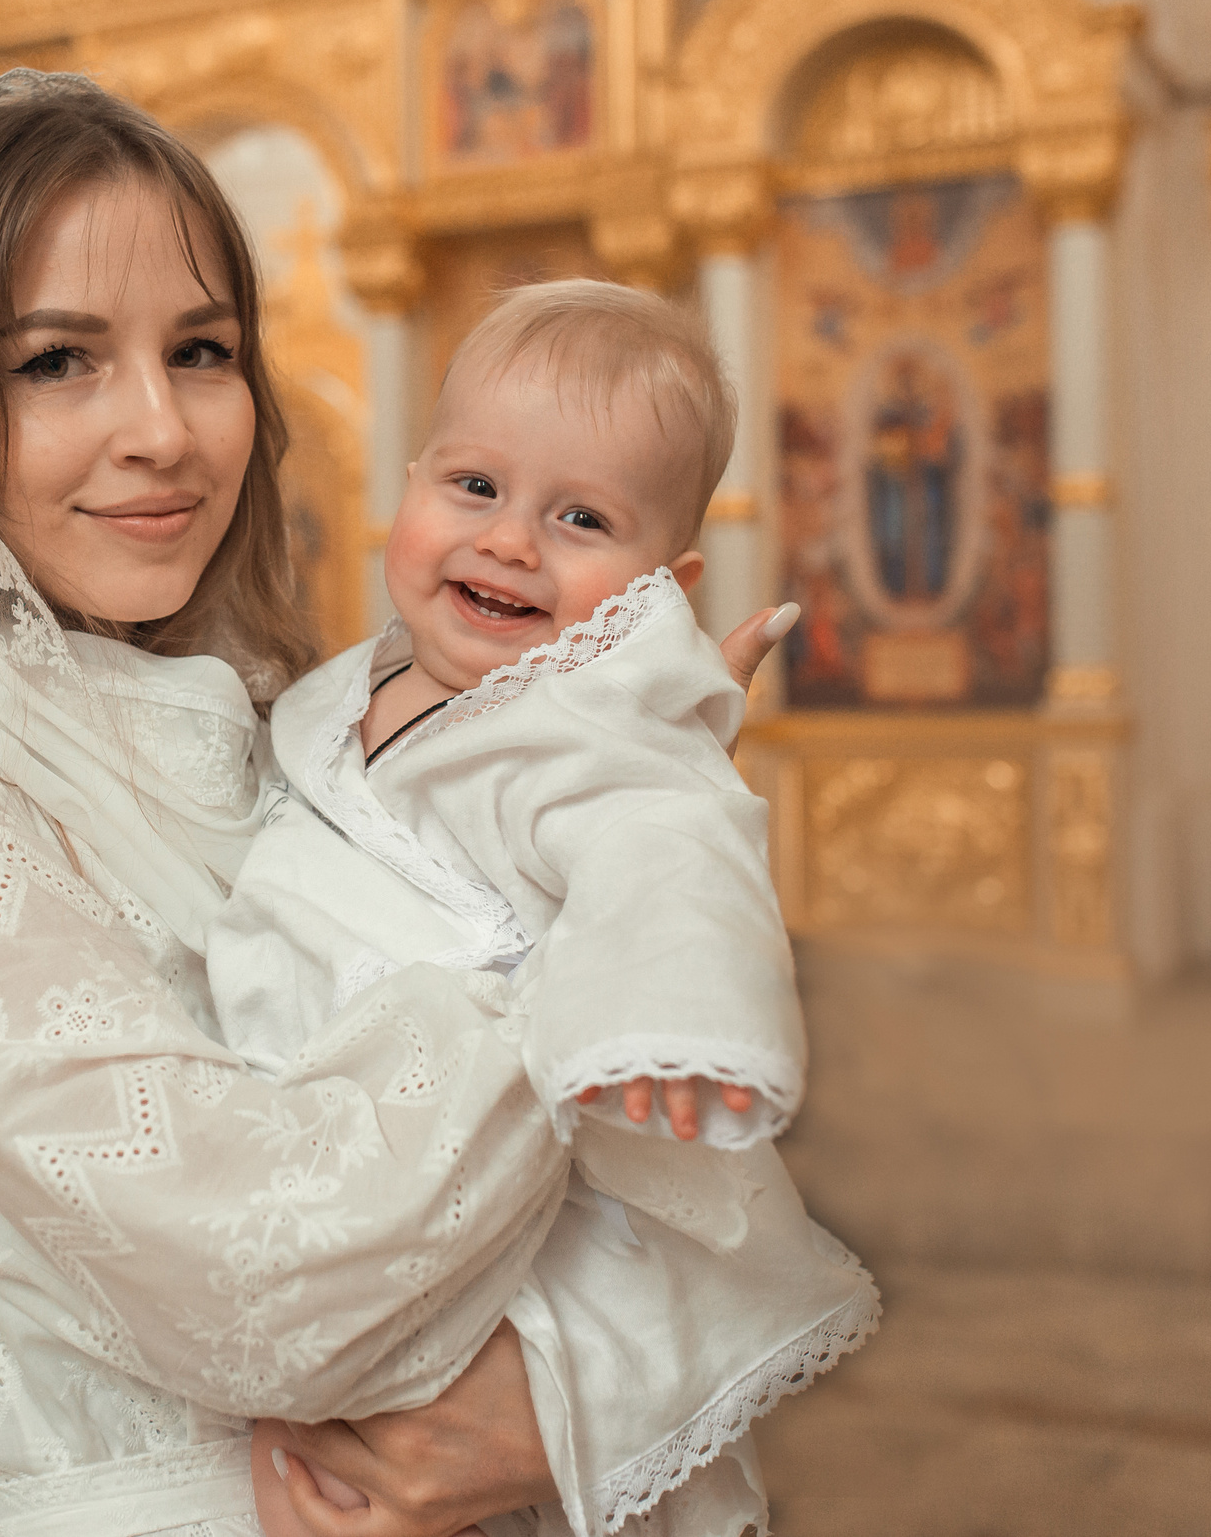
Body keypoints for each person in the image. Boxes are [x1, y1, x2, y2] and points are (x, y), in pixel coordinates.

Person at [0, 71, 789, 1537]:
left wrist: (563, 1411)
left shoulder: (294, 713)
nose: (162, 429)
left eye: (202, 350)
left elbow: (680, 1199)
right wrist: (596, 907)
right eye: (57, 363)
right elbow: (257, 1275)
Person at [209, 282, 876, 1537]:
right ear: (408, 484)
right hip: (321, 1172)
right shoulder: (326, 700)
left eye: (580, 516)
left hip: (508, 1203)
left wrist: (666, 1026)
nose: (510, 540)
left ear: (655, 592)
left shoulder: (595, 727)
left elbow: (667, 850)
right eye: (473, 487)